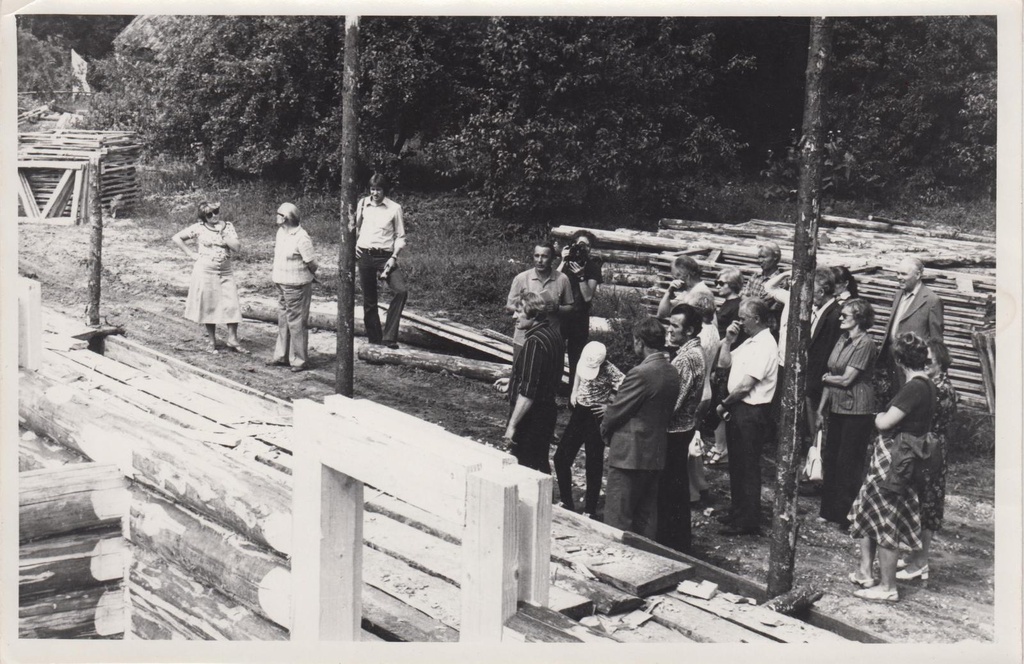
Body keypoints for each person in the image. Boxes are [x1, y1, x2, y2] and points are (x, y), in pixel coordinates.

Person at [847, 332, 937, 603]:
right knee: (870, 508)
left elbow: (886, 423)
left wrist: (878, 417)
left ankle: (888, 587)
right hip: (901, 455)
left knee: (887, 517)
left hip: (897, 457)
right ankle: (866, 572)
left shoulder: (915, 387)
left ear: (899, 359)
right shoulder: (929, 383)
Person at [599, 317, 680, 538]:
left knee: (618, 517)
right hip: (655, 452)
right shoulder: (672, 372)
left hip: (629, 454)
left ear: (640, 342)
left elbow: (616, 411)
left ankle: (617, 565)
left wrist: (605, 433)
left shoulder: (640, 373)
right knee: (645, 516)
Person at [715, 298, 779, 536]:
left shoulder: (766, 345)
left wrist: (724, 404)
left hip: (752, 411)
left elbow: (746, 386)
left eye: (743, 318)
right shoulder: (749, 341)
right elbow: (724, 363)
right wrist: (728, 342)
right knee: (737, 464)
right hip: (740, 409)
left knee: (748, 466)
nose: (739, 322)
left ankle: (748, 520)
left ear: (757, 319)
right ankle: (737, 510)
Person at [897, 338, 958, 581]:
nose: (925, 364)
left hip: (931, 448)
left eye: (929, 361)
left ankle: (921, 562)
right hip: (925, 444)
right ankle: (914, 555)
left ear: (941, 362)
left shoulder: (941, 388)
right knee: (917, 501)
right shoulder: (931, 384)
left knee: (928, 504)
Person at [815, 298, 879, 530]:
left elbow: (846, 379)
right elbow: (831, 374)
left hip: (857, 409)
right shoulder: (842, 340)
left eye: (845, 315)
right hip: (836, 406)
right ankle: (828, 511)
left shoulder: (865, 344)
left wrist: (827, 378)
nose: (841, 318)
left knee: (849, 463)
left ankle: (847, 516)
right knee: (831, 459)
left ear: (859, 319)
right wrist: (821, 409)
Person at [553, 341, 624, 517]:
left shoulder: (610, 370)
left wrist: (610, 405)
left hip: (596, 417)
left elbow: (628, 391)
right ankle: (567, 502)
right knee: (561, 457)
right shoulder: (584, 358)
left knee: (593, 463)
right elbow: (578, 371)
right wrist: (574, 390)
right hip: (579, 413)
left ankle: (590, 510)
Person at [657, 303, 705, 552]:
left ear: (690, 330)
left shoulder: (687, 359)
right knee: (675, 486)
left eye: (675, 326)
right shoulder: (693, 352)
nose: (669, 330)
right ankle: (676, 540)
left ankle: (672, 542)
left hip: (675, 431)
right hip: (683, 428)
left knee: (671, 487)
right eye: (669, 324)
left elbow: (673, 402)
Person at [172, 201, 246, 354]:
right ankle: (211, 341)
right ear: (203, 217)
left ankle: (232, 338)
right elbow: (177, 238)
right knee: (209, 304)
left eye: (216, 212)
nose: (214, 216)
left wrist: (223, 233)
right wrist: (191, 254)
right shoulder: (199, 228)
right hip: (205, 270)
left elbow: (237, 248)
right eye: (209, 214)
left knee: (231, 303)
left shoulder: (228, 226)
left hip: (225, 271)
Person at [503, 292, 564, 474]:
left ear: (534, 314)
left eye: (519, 312)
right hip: (547, 412)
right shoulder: (553, 335)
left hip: (531, 417)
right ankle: (546, 500)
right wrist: (513, 380)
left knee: (525, 470)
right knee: (540, 464)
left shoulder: (533, 342)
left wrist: (512, 426)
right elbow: (543, 374)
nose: (514, 316)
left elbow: (528, 393)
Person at [355, 174, 409, 349]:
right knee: (369, 301)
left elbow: (400, 236)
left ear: (384, 190)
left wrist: (394, 257)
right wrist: (353, 245)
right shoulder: (363, 204)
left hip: (385, 257)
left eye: (378, 189)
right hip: (364, 255)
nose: (375, 193)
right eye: (372, 189)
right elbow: (354, 228)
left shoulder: (394, 208)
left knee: (401, 291)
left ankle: (389, 337)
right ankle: (374, 341)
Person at [880, 257, 944, 396]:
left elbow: (936, 339)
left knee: (910, 398)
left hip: (914, 362)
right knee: (895, 395)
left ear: (918, 275)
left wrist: (932, 366)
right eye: (897, 274)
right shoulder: (898, 295)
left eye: (904, 274)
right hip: (894, 357)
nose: (899, 278)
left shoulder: (932, 300)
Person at [267, 202, 318, 372]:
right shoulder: (281, 232)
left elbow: (312, 263)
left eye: (279, 214)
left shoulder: (301, 237)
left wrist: (309, 277)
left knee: (296, 322)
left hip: (297, 285)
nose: (276, 216)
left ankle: (299, 360)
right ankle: (282, 356)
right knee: (283, 320)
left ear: (287, 218)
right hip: (281, 282)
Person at [506, 242, 574, 356]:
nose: (540, 260)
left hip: (550, 339)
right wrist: (530, 307)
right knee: (521, 373)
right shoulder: (521, 278)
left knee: (549, 373)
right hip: (523, 340)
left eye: (545, 256)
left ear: (552, 258)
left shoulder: (562, 279)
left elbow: (570, 308)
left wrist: (557, 309)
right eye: (537, 256)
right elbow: (508, 308)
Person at [558, 230, 603, 389]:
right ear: (573, 245)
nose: (584, 249)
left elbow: (588, 297)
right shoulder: (565, 262)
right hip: (561, 316)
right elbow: (552, 284)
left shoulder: (592, 267)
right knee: (555, 354)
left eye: (588, 246)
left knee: (576, 359)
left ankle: (573, 395)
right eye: (581, 245)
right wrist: (563, 261)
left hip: (579, 318)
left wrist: (581, 276)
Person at [806, 267, 844, 438]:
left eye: (811, 290)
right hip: (813, 377)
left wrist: (817, 381)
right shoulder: (821, 311)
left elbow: (829, 350)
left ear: (821, 292)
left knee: (819, 420)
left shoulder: (835, 315)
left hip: (820, 378)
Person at [741, 242, 788, 336]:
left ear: (775, 258)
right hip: (749, 326)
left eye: (764, 257)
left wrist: (750, 302)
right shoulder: (755, 277)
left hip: (768, 328)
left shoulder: (781, 281)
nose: (760, 260)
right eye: (759, 257)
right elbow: (743, 299)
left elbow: (765, 305)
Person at [656, 255, 714, 319]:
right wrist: (669, 292)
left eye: (676, 277)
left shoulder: (702, 292)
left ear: (687, 275)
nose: (675, 280)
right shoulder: (686, 290)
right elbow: (661, 314)